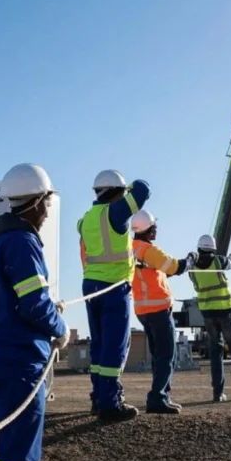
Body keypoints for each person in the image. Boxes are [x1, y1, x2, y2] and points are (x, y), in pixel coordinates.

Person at [0, 163, 69, 461]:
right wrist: (60, 330)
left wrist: (47, 307)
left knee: (12, 454)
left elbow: (20, 299)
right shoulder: (22, 241)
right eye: (47, 202)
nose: (48, 211)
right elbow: (33, 304)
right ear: (36, 202)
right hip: (20, 361)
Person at [78, 170, 150, 421]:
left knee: (98, 344)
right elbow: (143, 190)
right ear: (117, 192)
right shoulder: (115, 213)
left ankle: (98, 399)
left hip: (90, 286)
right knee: (115, 345)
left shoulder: (86, 218)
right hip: (113, 287)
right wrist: (129, 186)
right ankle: (109, 404)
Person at [130, 210, 190, 414]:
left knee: (159, 355)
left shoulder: (130, 248)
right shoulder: (148, 249)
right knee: (167, 355)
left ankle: (161, 395)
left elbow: (152, 275)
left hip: (142, 310)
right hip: (158, 310)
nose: (157, 229)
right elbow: (174, 267)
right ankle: (158, 398)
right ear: (148, 229)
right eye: (154, 226)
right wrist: (190, 260)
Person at [187, 234, 231, 402]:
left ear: (199, 247)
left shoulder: (192, 268)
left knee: (216, 353)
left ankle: (217, 393)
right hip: (225, 311)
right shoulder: (218, 261)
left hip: (208, 314)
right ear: (213, 248)